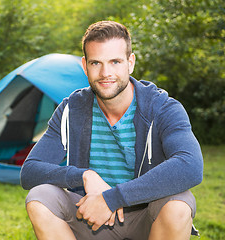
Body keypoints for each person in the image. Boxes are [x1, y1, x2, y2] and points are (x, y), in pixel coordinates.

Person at [20, 21, 203, 240]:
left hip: (145, 217)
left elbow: (190, 165)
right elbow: (29, 171)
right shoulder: (71, 109)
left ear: (130, 62)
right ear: (84, 66)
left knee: (178, 203)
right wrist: (85, 176)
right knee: (40, 197)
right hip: (90, 217)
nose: (106, 73)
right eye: (96, 63)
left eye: (115, 61)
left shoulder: (162, 108)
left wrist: (112, 199)